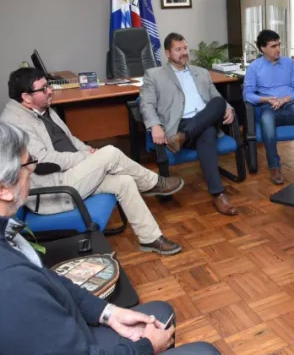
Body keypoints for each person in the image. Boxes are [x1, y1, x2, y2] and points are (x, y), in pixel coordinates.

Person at [0, 122, 220, 354]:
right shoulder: (11, 280)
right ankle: (155, 183)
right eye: (28, 164)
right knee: (206, 352)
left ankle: (150, 235)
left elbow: (52, 282)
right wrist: (146, 346)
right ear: (4, 188)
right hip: (75, 341)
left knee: (161, 312)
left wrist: (108, 313)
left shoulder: (9, 236)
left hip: (71, 327)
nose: (31, 170)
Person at [1, 68, 183, 255]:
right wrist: (86, 157)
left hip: (72, 175)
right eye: (44, 88)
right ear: (26, 97)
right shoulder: (16, 123)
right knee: (110, 152)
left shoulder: (42, 108)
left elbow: (69, 139)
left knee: (125, 181)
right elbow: (44, 162)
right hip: (54, 190)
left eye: (49, 85)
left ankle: (150, 239)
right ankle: (153, 183)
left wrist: (87, 150)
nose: (50, 91)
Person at [140, 32, 237, 216]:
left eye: (185, 48)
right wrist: (155, 125)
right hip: (180, 124)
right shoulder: (154, 75)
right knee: (207, 131)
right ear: (167, 53)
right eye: (178, 49)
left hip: (200, 120)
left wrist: (229, 108)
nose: (184, 52)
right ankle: (218, 194)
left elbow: (216, 96)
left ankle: (182, 138)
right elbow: (146, 104)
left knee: (219, 102)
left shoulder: (201, 72)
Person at [243, 29, 294, 185]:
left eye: (278, 45)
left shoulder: (289, 63)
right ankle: (275, 167)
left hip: (291, 106)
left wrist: (284, 99)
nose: (278, 49)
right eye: (273, 46)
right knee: (266, 120)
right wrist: (265, 99)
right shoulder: (254, 67)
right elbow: (247, 94)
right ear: (262, 48)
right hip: (269, 109)